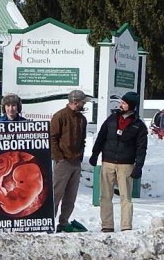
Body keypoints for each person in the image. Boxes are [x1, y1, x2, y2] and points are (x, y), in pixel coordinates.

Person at [89, 91, 147, 233]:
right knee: (105, 196)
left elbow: (141, 148)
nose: (121, 105)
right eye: (121, 102)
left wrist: (138, 166)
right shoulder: (111, 119)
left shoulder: (138, 126)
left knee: (125, 197)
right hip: (108, 161)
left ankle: (126, 226)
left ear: (131, 106)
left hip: (126, 164)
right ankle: (107, 225)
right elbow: (101, 137)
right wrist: (94, 154)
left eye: (124, 103)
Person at [50, 89, 89, 233]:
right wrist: (59, 157)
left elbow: (83, 140)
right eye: (82, 102)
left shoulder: (82, 119)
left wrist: (80, 156)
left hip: (76, 162)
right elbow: (52, 138)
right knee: (56, 193)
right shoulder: (59, 116)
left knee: (71, 196)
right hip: (63, 162)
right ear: (75, 102)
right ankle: (49, 221)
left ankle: (64, 222)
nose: (84, 104)